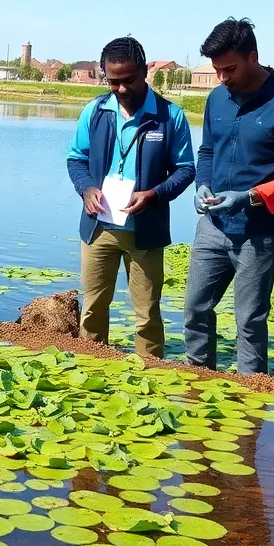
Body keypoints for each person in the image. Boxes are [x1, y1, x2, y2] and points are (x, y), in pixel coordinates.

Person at [184, 18, 274, 374]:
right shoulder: (216, 99)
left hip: (260, 234)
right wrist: (202, 186)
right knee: (195, 310)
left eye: (230, 69)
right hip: (212, 226)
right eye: (217, 71)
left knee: (249, 321)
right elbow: (207, 152)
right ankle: (197, 383)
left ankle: (249, 402)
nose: (223, 78)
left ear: (253, 56)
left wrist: (249, 197)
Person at [66, 36, 195, 358]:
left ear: (144, 71)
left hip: (145, 231)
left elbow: (185, 169)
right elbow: (75, 159)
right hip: (99, 228)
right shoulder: (94, 112)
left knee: (147, 314)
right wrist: (86, 189)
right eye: (113, 81)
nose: (122, 89)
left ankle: (150, 377)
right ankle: (92, 371)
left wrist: (156, 193)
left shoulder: (170, 116)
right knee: (94, 309)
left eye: (129, 80)